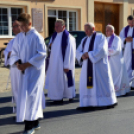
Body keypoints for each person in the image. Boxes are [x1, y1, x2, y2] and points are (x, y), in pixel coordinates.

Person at [10, 13, 46, 134]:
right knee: (25, 97)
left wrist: (27, 64)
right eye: (19, 26)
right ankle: (35, 122)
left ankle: (29, 126)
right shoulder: (19, 37)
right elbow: (14, 52)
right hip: (23, 72)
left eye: (23, 26)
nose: (21, 28)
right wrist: (17, 62)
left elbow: (42, 54)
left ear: (30, 24)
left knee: (31, 97)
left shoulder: (37, 37)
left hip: (34, 72)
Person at [76, 22, 117, 110]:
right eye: (85, 30)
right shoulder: (84, 40)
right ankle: (87, 103)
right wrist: (81, 55)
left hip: (99, 67)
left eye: (87, 30)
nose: (86, 32)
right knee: (86, 83)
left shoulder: (100, 37)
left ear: (93, 29)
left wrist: (89, 54)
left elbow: (103, 50)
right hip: (87, 67)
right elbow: (78, 50)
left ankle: (107, 102)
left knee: (101, 84)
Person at [45, 19, 76, 103]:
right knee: (56, 80)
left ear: (63, 27)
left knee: (66, 80)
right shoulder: (54, 36)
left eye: (58, 26)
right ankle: (57, 97)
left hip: (64, 63)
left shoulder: (69, 38)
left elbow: (70, 52)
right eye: (55, 26)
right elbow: (50, 47)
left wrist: (66, 65)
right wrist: (50, 46)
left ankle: (70, 95)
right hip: (54, 63)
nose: (56, 28)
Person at [106, 25, 130, 96]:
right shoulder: (106, 39)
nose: (106, 32)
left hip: (116, 62)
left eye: (107, 30)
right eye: (106, 30)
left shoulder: (117, 39)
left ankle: (119, 91)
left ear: (112, 31)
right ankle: (111, 90)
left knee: (118, 76)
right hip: (110, 62)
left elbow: (116, 50)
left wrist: (105, 52)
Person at [4, 20, 20, 113]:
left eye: (15, 26)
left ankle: (26, 112)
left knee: (23, 90)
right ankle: (19, 110)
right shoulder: (13, 40)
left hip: (23, 68)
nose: (13, 29)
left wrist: (12, 53)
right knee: (16, 89)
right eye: (12, 27)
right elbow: (6, 52)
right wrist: (8, 53)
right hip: (14, 69)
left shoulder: (26, 39)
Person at [120, 15, 134, 89]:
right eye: (129, 23)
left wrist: (132, 40)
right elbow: (120, 38)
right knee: (128, 66)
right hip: (127, 52)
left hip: (133, 50)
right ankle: (128, 83)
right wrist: (125, 40)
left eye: (132, 22)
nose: (130, 24)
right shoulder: (125, 29)